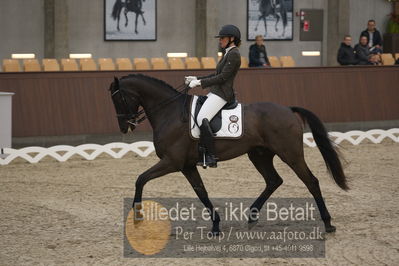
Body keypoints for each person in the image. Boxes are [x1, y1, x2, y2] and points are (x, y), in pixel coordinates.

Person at [184, 24, 242, 168]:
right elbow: (216, 75)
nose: (220, 40)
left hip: (223, 93)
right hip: (216, 91)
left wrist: (199, 83)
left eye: (222, 38)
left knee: (202, 118)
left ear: (232, 38)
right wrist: (196, 78)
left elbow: (222, 78)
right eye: (220, 38)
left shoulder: (234, 54)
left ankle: (210, 156)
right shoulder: (227, 52)